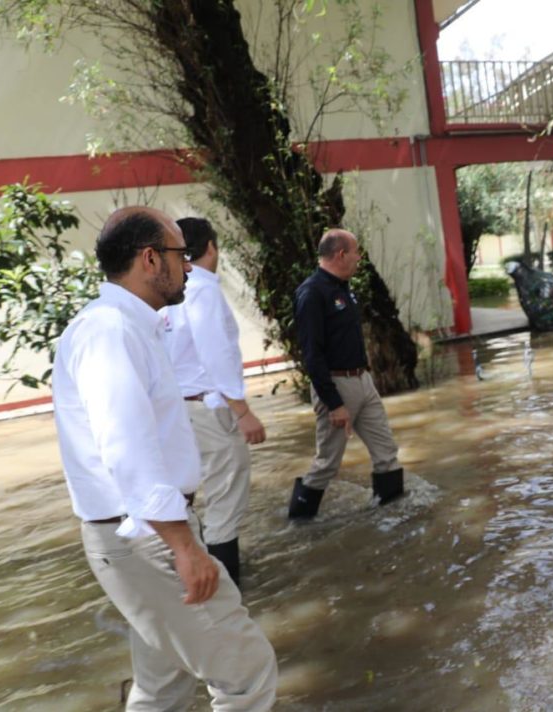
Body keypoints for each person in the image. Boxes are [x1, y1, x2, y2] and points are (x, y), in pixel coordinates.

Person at [52, 207, 277, 710]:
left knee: (163, 688)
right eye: (180, 254)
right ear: (150, 259)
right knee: (248, 672)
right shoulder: (110, 331)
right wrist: (184, 546)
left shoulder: (129, 326)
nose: (190, 267)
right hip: (145, 535)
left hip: (142, 531)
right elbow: (126, 449)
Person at [163, 217, 266, 587]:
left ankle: (191, 578)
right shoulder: (202, 289)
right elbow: (216, 352)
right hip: (209, 408)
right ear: (210, 247)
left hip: (179, 410)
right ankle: (228, 591)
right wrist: (242, 410)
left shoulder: (168, 293)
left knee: (186, 497)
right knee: (225, 500)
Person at [288, 228, 404, 519]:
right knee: (327, 463)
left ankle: (393, 516)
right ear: (341, 254)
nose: (359, 258)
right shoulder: (312, 292)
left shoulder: (343, 288)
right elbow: (312, 356)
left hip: (363, 382)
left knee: (386, 452)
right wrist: (334, 403)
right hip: (336, 386)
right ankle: (298, 524)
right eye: (356, 252)